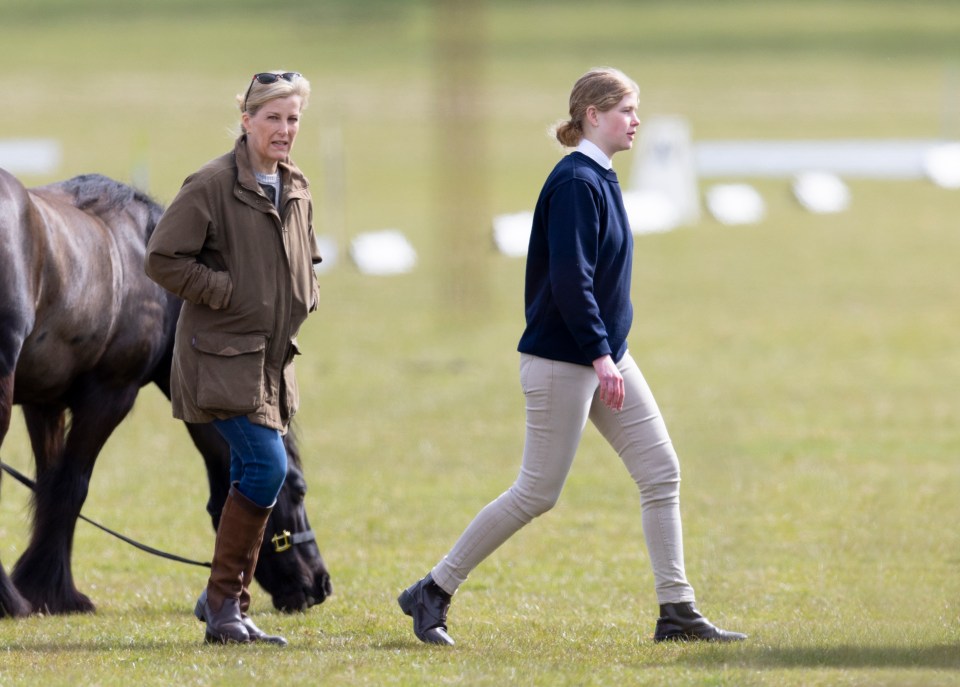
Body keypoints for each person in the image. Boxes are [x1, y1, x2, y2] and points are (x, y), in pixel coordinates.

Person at [398, 67, 745, 645]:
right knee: (537, 492)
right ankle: (432, 590)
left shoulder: (601, 177)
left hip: (605, 357)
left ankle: (677, 612)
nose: (636, 121)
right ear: (592, 115)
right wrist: (599, 356)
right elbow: (570, 280)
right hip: (567, 361)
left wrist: (609, 355)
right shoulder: (576, 183)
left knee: (661, 471)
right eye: (627, 110)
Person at [145, 70, 320, 645]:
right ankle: (224, 603)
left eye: (292, 118)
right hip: (218, 361)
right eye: (272, 117)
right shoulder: (211, 184)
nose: (284, 129)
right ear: (246, 120)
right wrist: (224, 291)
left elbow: (304, 256)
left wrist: (305, 292)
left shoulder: (296, 185)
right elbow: (163, 259)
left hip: (272, 363)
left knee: (253, 472)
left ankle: (224, 603)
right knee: (268, 467)